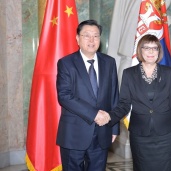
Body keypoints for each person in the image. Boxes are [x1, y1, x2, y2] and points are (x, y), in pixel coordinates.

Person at [97, 34, 171, 171]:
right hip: (140, 135)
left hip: (166, 134)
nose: (151, 52)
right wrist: (109, 117)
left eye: (155, 48)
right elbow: (124, 104)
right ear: (140, 51)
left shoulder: (168, 72)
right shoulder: (129, 73)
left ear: (159, 51)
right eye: (146, 48)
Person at [56, 19, 119, 171]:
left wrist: (114, 127)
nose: (92, 40)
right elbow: (64, 96)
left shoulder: (109, 62)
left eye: (96, 36)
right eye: (86, 35)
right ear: (77, 38)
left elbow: (114, 97)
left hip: (102, 132)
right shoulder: (66, 63)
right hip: (74, 134)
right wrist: (94, 114)